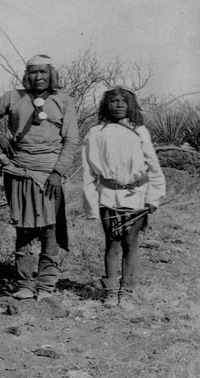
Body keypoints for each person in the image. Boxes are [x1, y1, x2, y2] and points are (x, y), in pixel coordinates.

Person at [0, 54, 79, 301]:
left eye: (44, 72)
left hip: (49, 171)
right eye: (34, 72)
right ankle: (24, 283)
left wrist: (58, 172)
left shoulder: (64, 100)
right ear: (27, 75)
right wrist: (0, 137)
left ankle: (46, 284)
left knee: (50, 228)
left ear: (52, 75)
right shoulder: (12, 97)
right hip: (18, 170)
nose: (39, 77)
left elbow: (71, 139)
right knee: (23, 228)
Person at [82, 86, 166, 309]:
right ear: (105, 105)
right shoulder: (96, 133)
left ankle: (127, 291)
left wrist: (153, 197)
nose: (118, 105)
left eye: (123, 101)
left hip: (136, 195)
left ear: (131, 105)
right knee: (112, 242)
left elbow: (154, 167)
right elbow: (88, 171)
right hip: (108, 196)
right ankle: (110, 291)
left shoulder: (141, 131)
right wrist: (91, 205)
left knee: (131, 241)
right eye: (113, 101)